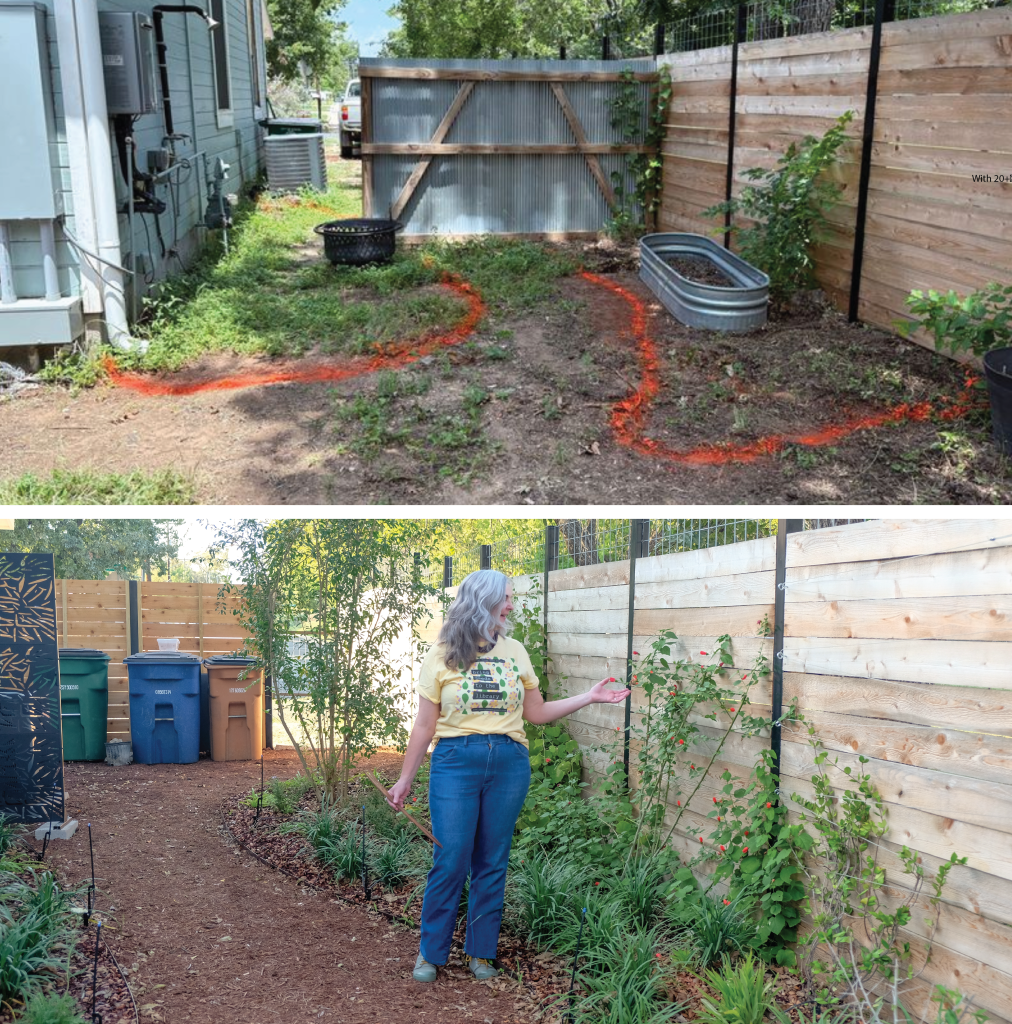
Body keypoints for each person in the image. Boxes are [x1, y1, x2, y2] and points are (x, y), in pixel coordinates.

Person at [385, 568, 630, 983]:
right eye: (506, 597)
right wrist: (405, 777)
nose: (511, 605)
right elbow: (425, 725)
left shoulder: (514, 651)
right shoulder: (441, 654)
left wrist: (588, 697)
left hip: (509, 763)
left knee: (492, 860)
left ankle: (481, 953)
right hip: (455, 763)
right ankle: (431, 952)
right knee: (451, 857)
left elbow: (535, 713)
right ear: (483, 601)